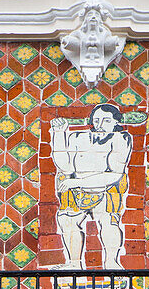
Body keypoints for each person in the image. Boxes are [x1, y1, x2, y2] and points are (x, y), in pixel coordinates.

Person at [51, 105, 133, 269]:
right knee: (66, 219)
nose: (100, 125)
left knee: (108, 221)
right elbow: (66, 166)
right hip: (77, 191)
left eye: (106, 120)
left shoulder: (121, 139)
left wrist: (77, 182)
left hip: (106, 189)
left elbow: (114, 174)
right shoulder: (77, 137)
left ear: (116, 122)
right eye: (96, 120)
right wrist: (59, 134)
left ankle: (111, 262)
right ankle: (74, 263)